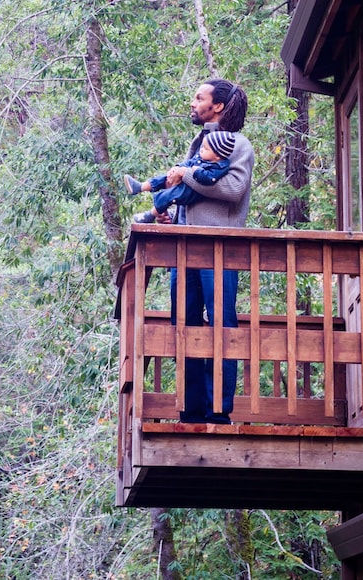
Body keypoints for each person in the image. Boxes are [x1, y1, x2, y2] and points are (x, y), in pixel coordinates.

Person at [157, 79, 254, 424]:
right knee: (183, 325)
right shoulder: (198, 142)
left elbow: (232, 188)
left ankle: (218, 413)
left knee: (221, 327)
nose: (193, 102)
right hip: (184, 252)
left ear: (218, 107)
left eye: (200, 98)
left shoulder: (238, 144)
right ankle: (191, 410)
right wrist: (173, 216)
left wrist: (187, 173)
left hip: (220, 253)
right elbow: (192, 191)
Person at [125, 130, 237, 224]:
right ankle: (140, 187)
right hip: (186, 187)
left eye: (206, 149)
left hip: (190, 192)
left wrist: (191, 171)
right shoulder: (203, 157)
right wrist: (177, 168)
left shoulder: (219, 166)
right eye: (202, 147)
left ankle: (149, 215)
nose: (202, 150)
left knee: (168, 196)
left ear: (218, 156)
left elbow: (209, 179)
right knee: (162, 178)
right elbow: (189, 162)